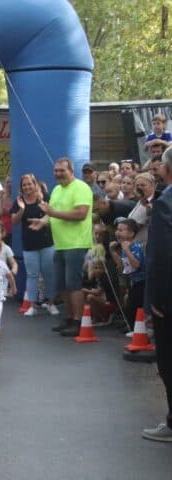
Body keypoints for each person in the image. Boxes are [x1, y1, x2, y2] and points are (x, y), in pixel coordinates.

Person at [29, 158, 93, 336]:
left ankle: (78, 321)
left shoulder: (81, 188)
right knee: (62, 284)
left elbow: (81, 214)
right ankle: (69, 318)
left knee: (73, 284)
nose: (58, 173)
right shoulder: (57, 189)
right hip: (60, 244)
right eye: (56, 170)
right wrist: (42, 222)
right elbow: (51, 213)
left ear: (71, 170)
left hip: (76, 243)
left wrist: (53, 213)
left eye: (62, 170)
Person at [142, 146, 172, 442]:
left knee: (168, 360)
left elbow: (162, 254)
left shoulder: (166, 203)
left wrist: (159, 299)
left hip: (169, 299)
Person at [10, 174, 59, 316]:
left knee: (49, 274)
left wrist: (43, 203)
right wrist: (21, 210)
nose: (27, 187)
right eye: (24, 185)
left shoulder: (45, 197)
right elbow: (14, 221)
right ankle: (32, 306)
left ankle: (51, 303)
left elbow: (54, 214)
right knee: (32, 275)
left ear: (35, 184)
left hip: (47, 242)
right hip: (29, 244)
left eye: (29, 184)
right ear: (21, 187)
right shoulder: (19, 200)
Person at [109, 218, 145, 332]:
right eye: (117, 229)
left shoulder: (135, 246)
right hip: (132, 281)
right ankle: (132, 327)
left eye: (121, 230)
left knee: (136, 305)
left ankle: (137, 329)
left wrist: (127, 250)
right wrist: (113, 251)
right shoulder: (124, 247)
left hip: (141, 281)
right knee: (130, 304)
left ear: (131, 233)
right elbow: (121, 266)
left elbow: (136, 264)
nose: (117, 232)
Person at [128, 172, 158, 248]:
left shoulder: (156, 202)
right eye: (137, 185)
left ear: (152, 186)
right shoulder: (141, 199)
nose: (139, 188)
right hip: (134, 242)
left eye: (143, 185)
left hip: (146, 244)